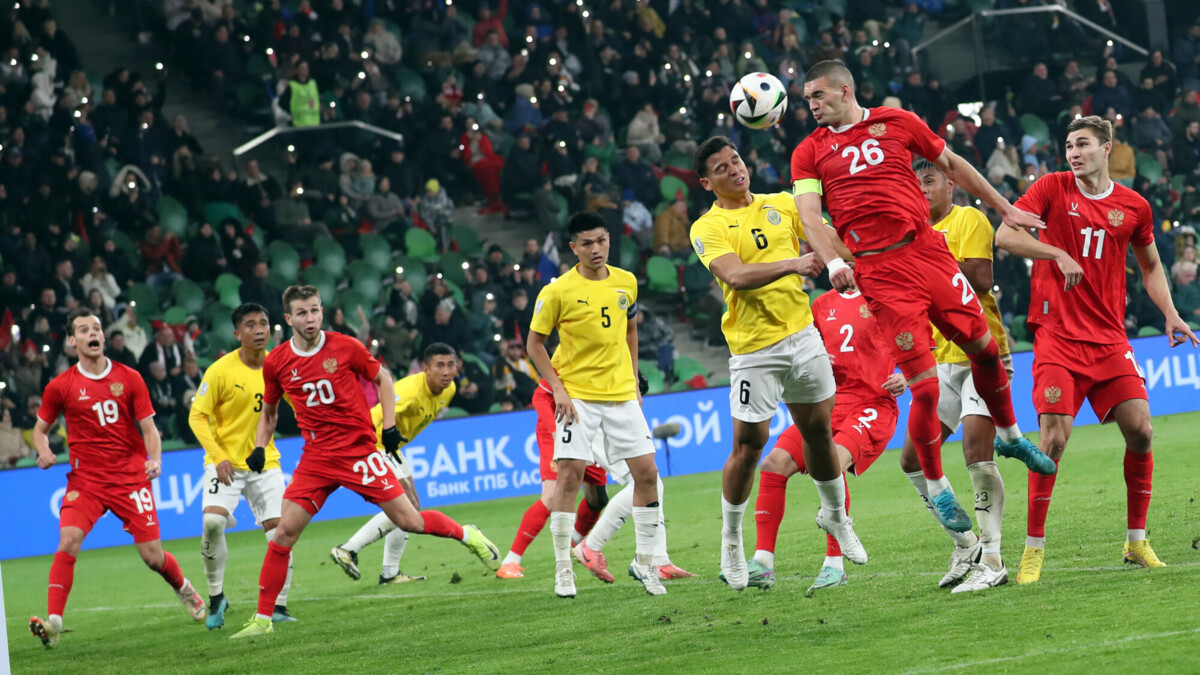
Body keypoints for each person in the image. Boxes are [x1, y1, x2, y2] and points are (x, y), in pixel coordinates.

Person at [792, 61, 1054, 539]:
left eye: (818, 95)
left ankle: (1013, 437)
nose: (811, 104)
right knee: (926, 388)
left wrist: (1005, 207)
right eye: (807, 97)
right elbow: (809, 216)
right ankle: (937, 486)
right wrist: (832, 262)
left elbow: (953, 165)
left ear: (845, 90)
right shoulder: (809, 152)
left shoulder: (898, 123)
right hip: (880, 273)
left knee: (986, 349)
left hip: (928, 251)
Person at [994, 116, 1200, 584]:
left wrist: (1169, 312)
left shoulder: (1134, 206)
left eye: (1083, 144)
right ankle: (1033, 548)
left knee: (1143, 431)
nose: (1073, 151)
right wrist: (1055, 254)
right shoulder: (1050, 189)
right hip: (1056, 337)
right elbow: (1005, 236)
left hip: (1109, 338)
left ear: (1107, 148)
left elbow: (1150, 266)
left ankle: (1136, 540)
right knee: (1053, 441)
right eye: (1068, 144)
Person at [231, 286, 500, 638]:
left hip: (359, 451)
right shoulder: (278, 361)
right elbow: (269, 411)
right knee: (283, 533)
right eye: (302, 313)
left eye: (315, 311)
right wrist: (259, 446)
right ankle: (263, 620)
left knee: (411, 520)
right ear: (289, 318)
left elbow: (383, 379)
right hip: (316, 459)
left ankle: (467, 534)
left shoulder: (345, 347)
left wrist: (388, 426)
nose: (310, 319)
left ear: (322, 312)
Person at [689, 135, 864, 591]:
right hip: (754, 351)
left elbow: (827, 239)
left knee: (818, 435)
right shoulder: (706, 228)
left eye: (737, 160)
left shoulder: (782, 203)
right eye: (722, 169)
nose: (735, 170)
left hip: (803, 337)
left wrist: (859, 253)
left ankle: (837, 519)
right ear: (707, 182)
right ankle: (731, 540)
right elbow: (735, 276)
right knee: (749, 447)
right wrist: (796, 263)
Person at [29, 308, 206, 648]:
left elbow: (150, 430)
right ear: (72, 341)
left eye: (96, 327)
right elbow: (40, 431)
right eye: (83, 329)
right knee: (68, 539)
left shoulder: (130, 378)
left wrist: (154, 460)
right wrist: (44, 450)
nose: (92, 333)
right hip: (87, 481)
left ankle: (183, 587)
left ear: (103, 336)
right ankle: (53, 624)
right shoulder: (60, 386)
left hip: (129, 477)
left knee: (153, 557)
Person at [525, 211, 665, 597]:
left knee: (647, 474)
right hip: (578, 398)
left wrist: (635, 379)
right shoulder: (557, 291)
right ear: (573, 248)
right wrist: (558, 390)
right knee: (569, 476)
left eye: (601, 240)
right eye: (586, 243)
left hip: (621, 396)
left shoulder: (626, 282)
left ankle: (646, 563)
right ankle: (563, 568)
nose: (596, 249)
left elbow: (630, 329)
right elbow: (534, 344)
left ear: (609, 240)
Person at [900, 159, 1015, 593]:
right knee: (912, 459)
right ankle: (964, 542)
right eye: (916, 184)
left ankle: (993, 558)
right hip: (939, 361)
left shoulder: (969, 218)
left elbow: (982, 278)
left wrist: (921, 269)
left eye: (930, 181)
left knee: (974, 452)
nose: (923, 190)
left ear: (951, 184)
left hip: (982, 356)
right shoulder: (909, 235)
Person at [749, 287, 902, 593]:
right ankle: (763, 562)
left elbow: (915, 338)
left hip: (873, 403)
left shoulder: (882, 295)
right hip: (829, 402)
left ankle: (834, 564)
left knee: (833, 460)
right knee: (773, 464)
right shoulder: (821, 304)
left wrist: (907, 375)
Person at [188, 303, 295, 630]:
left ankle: (278, 605)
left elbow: (298, 402)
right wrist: (218, 456)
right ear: (238, 334)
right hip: (226, 465)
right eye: (251, 325)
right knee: (212, 524)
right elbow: (197, 416)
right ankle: (217, 596)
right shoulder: (220, 370)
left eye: (264, 323)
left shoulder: (278, 365)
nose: (260, 330)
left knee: (281, 533)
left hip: (266, 462)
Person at [329, 343, 459, 585]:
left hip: (393, 448)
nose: (447, 371)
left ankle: (389, 573)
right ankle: (348, 549)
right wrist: (361, 446)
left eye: (451, 365)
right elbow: (375, 415)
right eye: (439, 365)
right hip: (373, 443)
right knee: (407, 507)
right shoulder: (409, 391)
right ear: (425, 368)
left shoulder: (449, 389)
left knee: (412, 508)